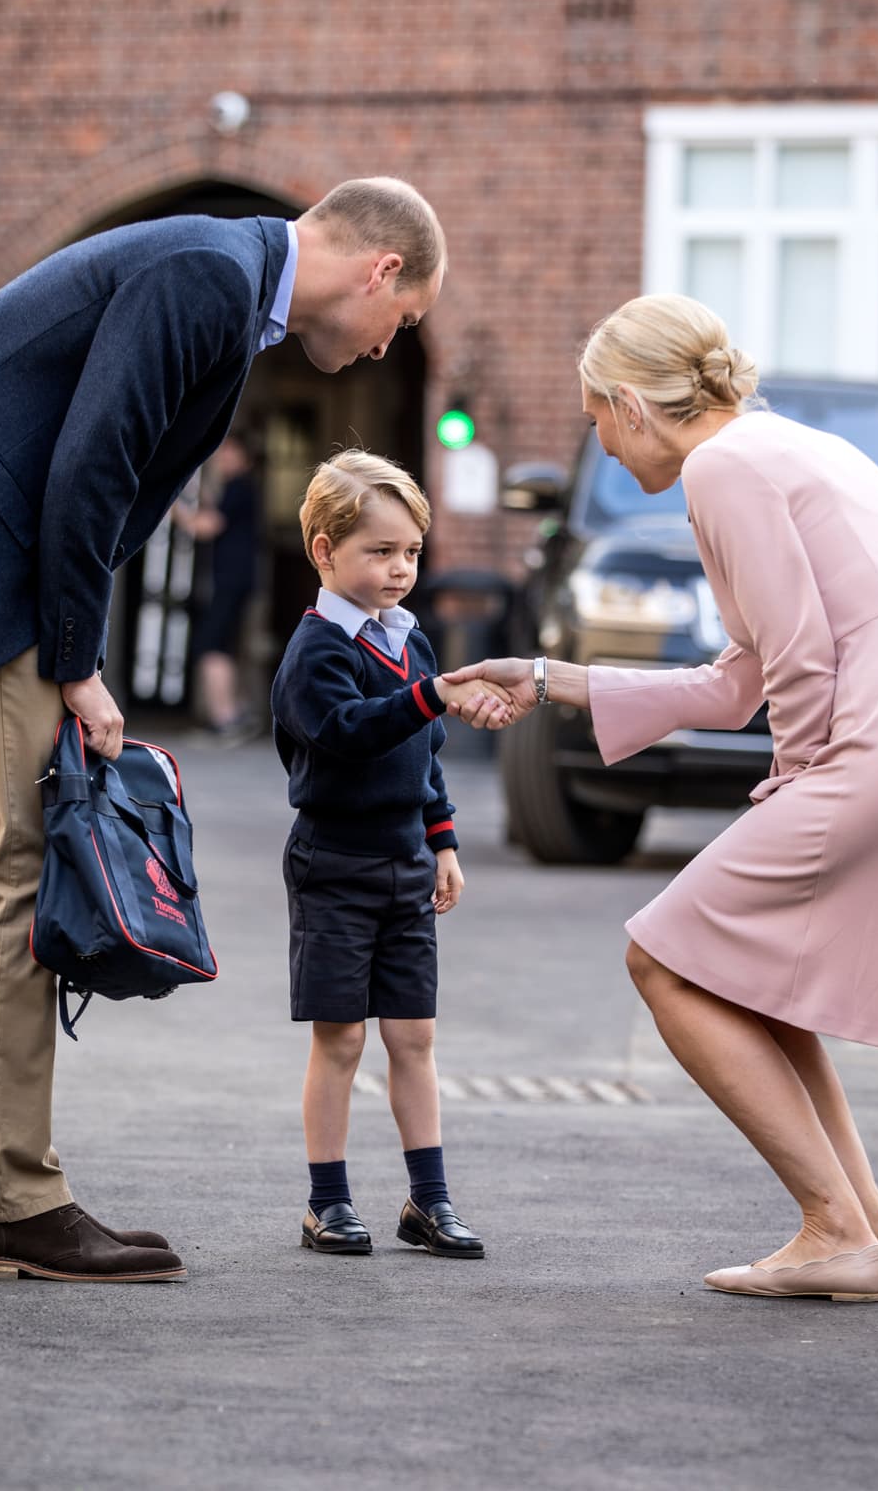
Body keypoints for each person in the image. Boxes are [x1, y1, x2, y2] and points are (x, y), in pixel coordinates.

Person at [0, 177, 447, 1284]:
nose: (393, 347)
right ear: (379, 270)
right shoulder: (208, 274)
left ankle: (11, 1196)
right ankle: (10, 1203)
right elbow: (90, 465)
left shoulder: (227, 281)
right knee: (15, 867)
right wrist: (77, 661)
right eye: (407, 320)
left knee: (14, 860)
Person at [447, 293, 878, 1303]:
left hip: (876, 743)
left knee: (662, 957)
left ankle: (833, 1224)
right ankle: (868, 1233)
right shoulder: (792, 449)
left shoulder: (721, 467)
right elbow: (731, 679)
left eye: (593, 423)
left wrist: (792, 783)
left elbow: (795, 659)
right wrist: (541, 677)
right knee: (755, 979)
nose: (606, 452)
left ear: (630, 403)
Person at [271, 449, 506, 1259]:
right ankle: (326, 1203)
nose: (401, 569)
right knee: (341, 1040)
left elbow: (424, 756)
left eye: (410, 551)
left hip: (406, 864)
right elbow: (350, 734)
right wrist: (428, 697)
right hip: (333, 864)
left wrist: (442, 843)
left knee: (414, 1039)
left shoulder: (410, 643)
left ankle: (428, 1202)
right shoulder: (315, 654)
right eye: (380, 551)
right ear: (325, 551)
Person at [172, 431, 261, 740]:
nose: (222, 458)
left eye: (228, 453)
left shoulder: (239, 486)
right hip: (234, 580)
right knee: (221, 644)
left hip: (230, 580)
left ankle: (225, 719)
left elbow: (205, 527)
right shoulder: (237, 489)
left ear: (243, 457)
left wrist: (169, 506)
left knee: (211, 644)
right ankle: (232, 714)